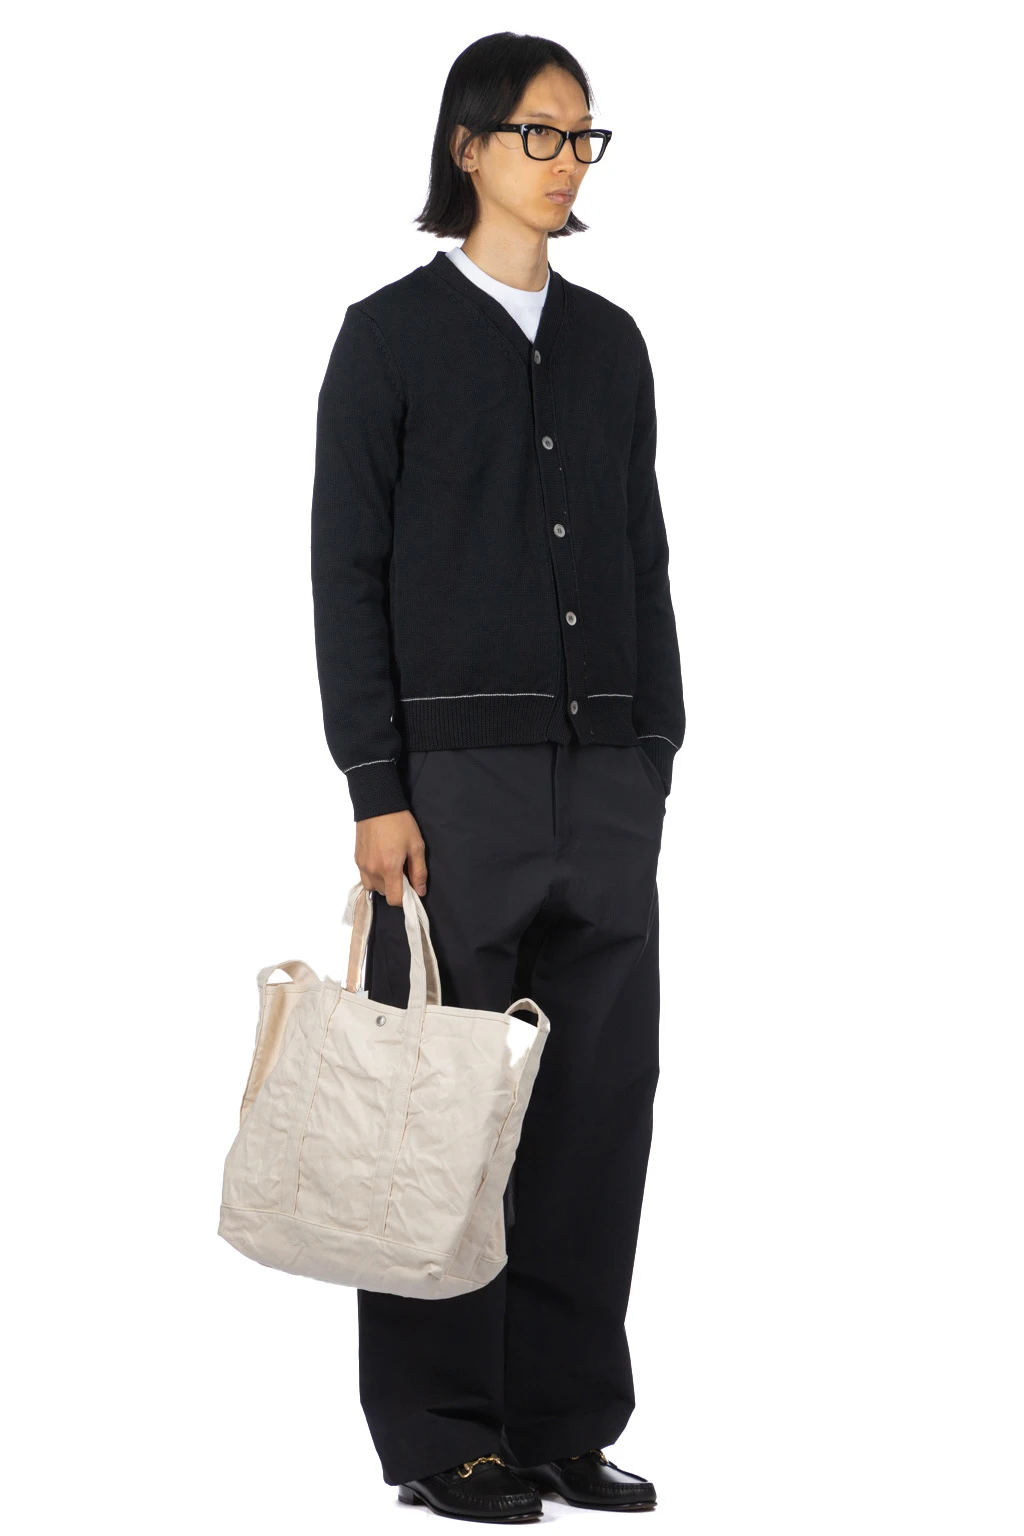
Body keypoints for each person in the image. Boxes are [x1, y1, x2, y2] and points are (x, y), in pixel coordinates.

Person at [310, 30, 685, 1524]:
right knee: (438, 1111)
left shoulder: (611, 346)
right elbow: (346, 573)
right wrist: (374, 782)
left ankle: (563, 1423)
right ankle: (441, 1433)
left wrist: (655, 751)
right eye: (540, 132)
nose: (566, 160)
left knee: (596, 1111)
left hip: (607, 781)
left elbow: (645, 557)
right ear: (467, 146)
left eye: (583, 135)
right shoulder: (388, 339)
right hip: (452, 787)